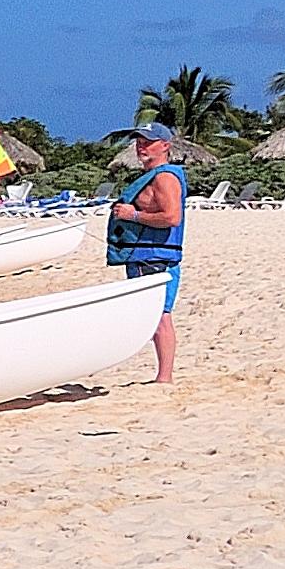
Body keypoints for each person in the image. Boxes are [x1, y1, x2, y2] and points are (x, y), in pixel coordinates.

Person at [108, 117, 188, 382]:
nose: (141, 147)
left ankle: (165, 376)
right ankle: (163, 374)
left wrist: (132, 215)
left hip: (155, 256)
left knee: (160, 316)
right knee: (154, 315)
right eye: (139, 143)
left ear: (165, 145)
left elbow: (171, 217)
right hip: (144, 256)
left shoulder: (165, 178)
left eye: (148, 143)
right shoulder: (153, 177)